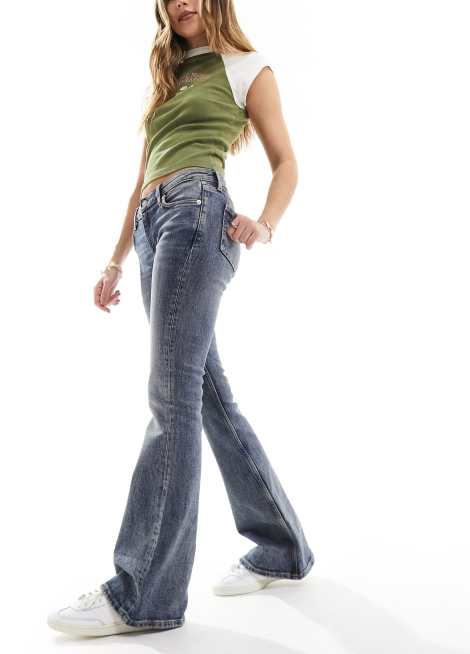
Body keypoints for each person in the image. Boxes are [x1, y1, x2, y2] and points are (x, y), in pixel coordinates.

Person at [47, 0, 314, 637]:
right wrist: (114, 260)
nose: (181, 2)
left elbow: (287, 162)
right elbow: (141, 179)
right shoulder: (167, 76)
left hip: (197, 214)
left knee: (172, 397)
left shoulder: (247, 67)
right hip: (153, 226)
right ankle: (281, 547)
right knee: (205, 396)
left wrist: (266, 224)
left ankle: (144, 593)